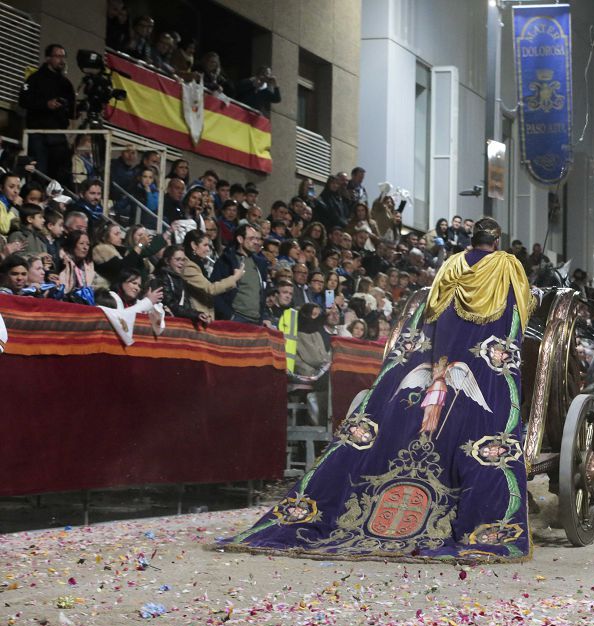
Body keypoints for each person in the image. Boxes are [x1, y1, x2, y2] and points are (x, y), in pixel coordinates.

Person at [219, 216, 535, 562]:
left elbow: (431, 314)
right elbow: (518, 314)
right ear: (497, 240)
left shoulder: (451, 265)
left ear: (471, 238)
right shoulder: (506, 267)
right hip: (475, 380)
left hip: (433, 375)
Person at [19, 44, 76, 182]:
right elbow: (23, 101)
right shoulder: (35, 79)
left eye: (63, 57)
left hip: (58, 134)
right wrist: (46, 105)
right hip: (38, 133)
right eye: (58, 56)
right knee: (40, 172)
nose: (61, 60)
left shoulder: (66, 84)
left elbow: (71, 111)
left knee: (61, 173)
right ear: (48, 58)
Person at [211, 224, 268, 324]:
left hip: (256, 321)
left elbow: (262, 293)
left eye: (257, 239)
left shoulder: (261, 264)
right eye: (251, 238)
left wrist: (264, 317)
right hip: (236, 319)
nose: (256, 242)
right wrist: (229, 315)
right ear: (240, 239)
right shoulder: (226, 261)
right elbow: (214, 291)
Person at [181, 229, 242, 319]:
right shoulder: (189, 267)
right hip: (196, 318)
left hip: (205, 317)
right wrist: (234, 278)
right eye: (205, 245)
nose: (208, 249)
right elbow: (210, 289)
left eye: (208, 245)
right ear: (194, 245)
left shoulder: (199, 265)